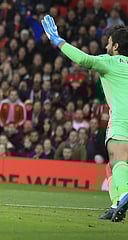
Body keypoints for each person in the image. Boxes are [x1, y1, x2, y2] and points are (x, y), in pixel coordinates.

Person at [40, 15, 128, 222]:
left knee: (119, 160)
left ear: (115, 46)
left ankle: (124, 193)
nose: (105, 45)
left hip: (122, 120)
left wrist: (57, 40)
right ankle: (116, 204)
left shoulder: (111, 61)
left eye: (108, 42)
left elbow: (83, 60)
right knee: (111, 166)